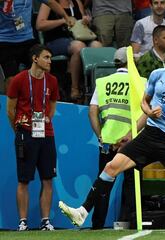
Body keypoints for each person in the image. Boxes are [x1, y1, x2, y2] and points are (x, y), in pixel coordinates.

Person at [58, 42, 165, 235]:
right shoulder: (157, 75)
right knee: (110, 168)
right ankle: (82, 212)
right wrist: (150, 112)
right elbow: (144, 102)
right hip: (149, 135)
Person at [88, 47, 147, 229]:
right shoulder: (140, 83)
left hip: (107, 142)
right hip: (132, 143)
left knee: (104, 184)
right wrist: (129, 135)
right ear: (130, 62)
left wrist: (100, 135)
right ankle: (132, 222)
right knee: (132, 185)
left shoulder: (103, 82)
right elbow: (145, 114)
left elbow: (92, 112)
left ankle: (97, 225)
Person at [6, 44, 59, 231]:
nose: (50, 61)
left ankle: (45, 221)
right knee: (24, 180)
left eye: (51, 57)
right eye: (46, 57)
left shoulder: (52, 81)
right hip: (25, 134)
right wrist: (19, 130)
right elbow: (10, 110)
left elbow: (52, 105)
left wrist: (46, 119)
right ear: (35, 59)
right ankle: (23, 222)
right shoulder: (18, 80)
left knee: (47, 179)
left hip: (47, 134)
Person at [0, 0, 74, 93]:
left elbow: (51, 2)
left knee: (44, 66)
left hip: (27, 39)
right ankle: (10, 106)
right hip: (5, 41)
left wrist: (66, 17)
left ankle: (40, 99)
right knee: (11, 80)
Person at [36, 0, 102, 101]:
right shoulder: (49, 3)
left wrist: (85, 21)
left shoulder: (76, 2)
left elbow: (80, 22)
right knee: (78, 47)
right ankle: (74, 88)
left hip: (78, 37)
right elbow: (40, 25)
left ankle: (95, 87)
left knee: (97, 46)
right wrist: (62, 21)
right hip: (55, 40)